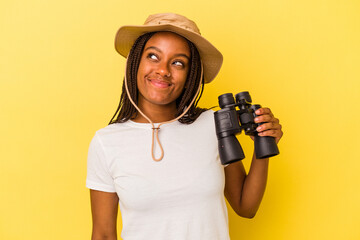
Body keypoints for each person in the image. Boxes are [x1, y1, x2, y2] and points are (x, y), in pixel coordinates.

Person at [86, 13, 283, 240]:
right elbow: (102, 234)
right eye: (153, 56)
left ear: (191, 75)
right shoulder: (106, 142)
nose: (163, 70)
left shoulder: (212, 124)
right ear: (135, 62)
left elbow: (245, 206)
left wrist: (263, 146)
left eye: (178, 62)